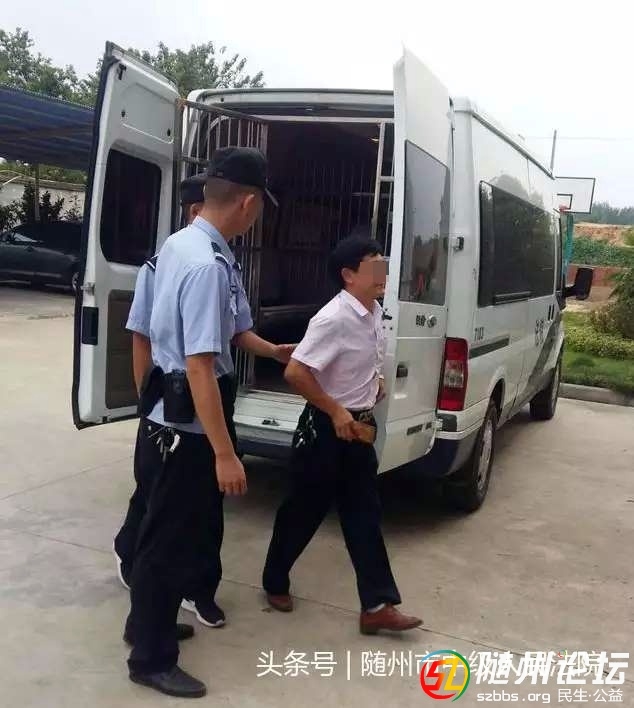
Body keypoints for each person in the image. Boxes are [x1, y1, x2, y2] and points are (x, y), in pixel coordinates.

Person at [125, 147, 292, 698]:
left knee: (167, 532)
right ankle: (151, 659)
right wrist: (224, 452)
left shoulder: (185, 245)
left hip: (169, 414)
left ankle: (144, 624)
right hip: (187, 422)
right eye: (260, 205)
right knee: (169, 542)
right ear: (248, 202)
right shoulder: (205, 266)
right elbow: (200, 364)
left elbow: (229, 331)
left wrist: (273, 351)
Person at [262, 235, 423, 635]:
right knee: (302, 512)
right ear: (349, 275)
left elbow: (368, 357)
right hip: (324, 429)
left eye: (383, 263)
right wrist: (335, 409)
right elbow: (296, 372)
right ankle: (275, 579)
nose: (383, 272)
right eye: (374, 265)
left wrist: (376, 381)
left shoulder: (374, 312)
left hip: (359, 429)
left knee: (364, 515)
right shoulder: (332, 318)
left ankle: (377, 605)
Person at [113, 174, 207, 591]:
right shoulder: (160, 266)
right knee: (153, 487)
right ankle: (129, 551)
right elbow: (140, 335)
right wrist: (145, 395)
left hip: (197, 393)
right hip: (166, 394)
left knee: (177, 495)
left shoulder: (219, 261)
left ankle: (178, 577)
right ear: (196, 210)